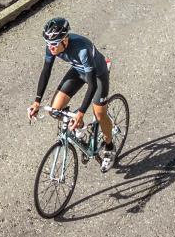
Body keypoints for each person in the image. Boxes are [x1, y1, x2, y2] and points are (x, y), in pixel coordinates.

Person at [27, 16, 115, 171]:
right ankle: (79, 127)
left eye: (54, 44)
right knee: (55, 110)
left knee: (100, 114)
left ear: (65, 40)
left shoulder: (82, 50)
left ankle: (109, 146)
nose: (51, 48)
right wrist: (37, 101)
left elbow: (92, 85)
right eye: (48, 43)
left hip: (97, 75)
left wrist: (81, 112)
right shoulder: (52, 47)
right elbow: (46, 71)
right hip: (78, 71)